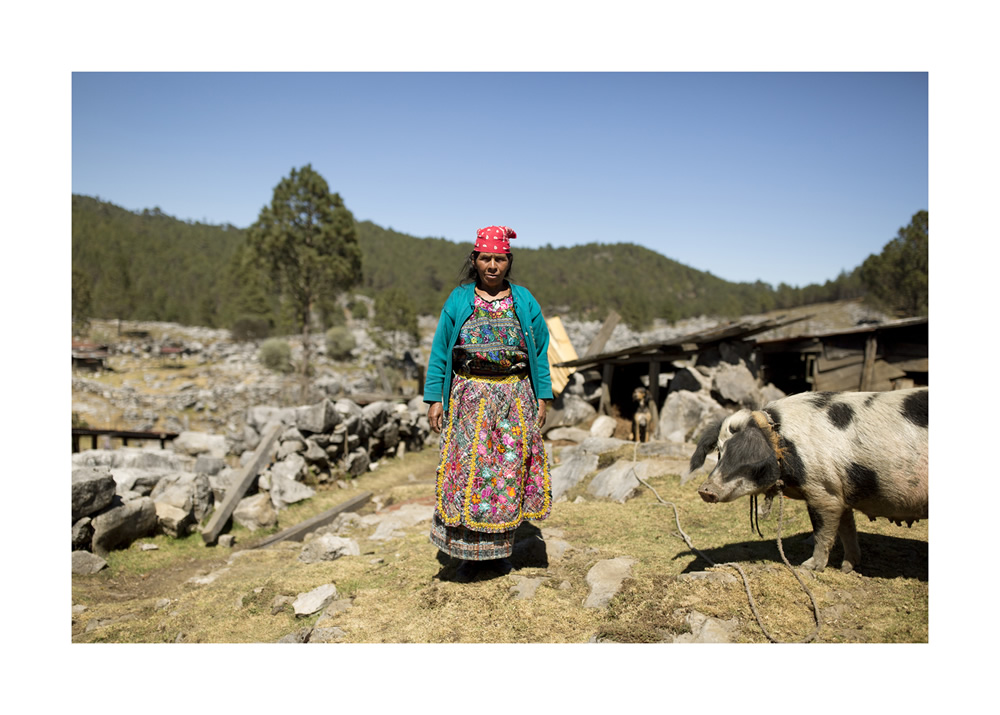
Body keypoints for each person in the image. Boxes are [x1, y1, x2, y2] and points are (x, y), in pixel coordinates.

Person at [424, 225, 553, 581]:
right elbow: (440, 351)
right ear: (474, 260)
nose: (492, 265)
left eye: (499, 259)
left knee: (505, 473)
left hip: (514, 397)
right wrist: (435, 397)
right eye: (485, 258)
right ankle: (468, 556)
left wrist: (542, 396)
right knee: (469, 473)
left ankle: (499, 554)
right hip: (468, 398)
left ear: (508, 261)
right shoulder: (459, 299)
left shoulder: (523, 300)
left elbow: (540, 352)